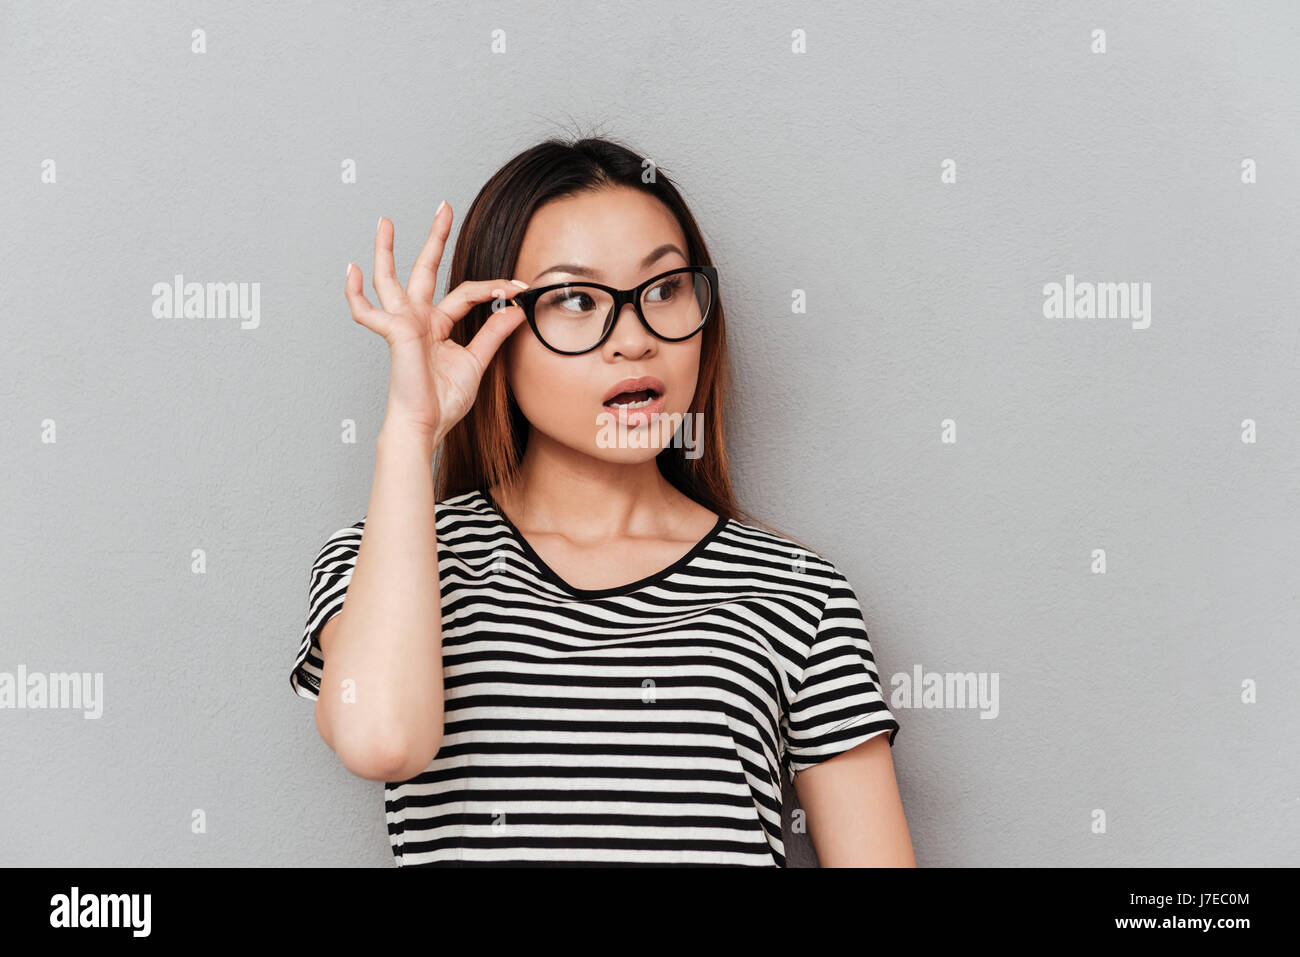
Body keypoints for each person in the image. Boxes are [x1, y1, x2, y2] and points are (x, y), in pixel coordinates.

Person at [290, 135, 915, 867]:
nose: (634, 338)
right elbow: (383, 739)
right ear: (493, 333)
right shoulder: (385, 562)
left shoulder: (800, 596)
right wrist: (411, 429)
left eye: (664, 289)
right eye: (576, 300)